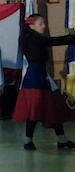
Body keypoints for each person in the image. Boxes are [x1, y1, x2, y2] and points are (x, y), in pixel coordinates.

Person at [12, 14, 75, 150]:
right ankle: (28, 141)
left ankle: (62, 139)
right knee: (34, 108)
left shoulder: (30, 38)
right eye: (40, 24)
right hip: (35, 77)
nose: (44, 26)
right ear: (31, 25)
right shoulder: (32, 39)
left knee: (54, 106)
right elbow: (56, 41)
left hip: (41, 74)